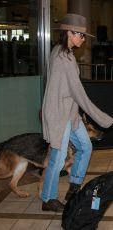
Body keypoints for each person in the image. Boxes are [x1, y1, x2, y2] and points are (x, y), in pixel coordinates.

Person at [41, 13, 113, 212]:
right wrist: (105, 119)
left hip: (69, 114)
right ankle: (48, 199)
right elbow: (79, 94)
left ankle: (74, 188)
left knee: (85, 147)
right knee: (58, 157)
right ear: (69, 33)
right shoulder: (63, 57)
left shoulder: (63, 52)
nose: (82, 39)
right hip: (60, 114)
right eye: (80, 35)